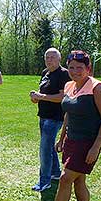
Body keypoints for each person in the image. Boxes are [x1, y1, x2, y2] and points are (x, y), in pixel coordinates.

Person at [35, 50, 101, 201]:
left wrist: (96, 147)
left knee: (65, 178)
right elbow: (69, 113)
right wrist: (62, 138)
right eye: (71, 67)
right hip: (71, 140)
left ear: (88, 68)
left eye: (80, 68)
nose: (75, 71)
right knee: (79, 181)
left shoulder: (98, 87)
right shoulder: (70, 85)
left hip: (87, 142)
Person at [29, 48, 71, 192]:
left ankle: (44, 181)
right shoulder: (45, 73)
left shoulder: (64, 74)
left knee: (45, 149)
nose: (49, 60)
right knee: (49, 145)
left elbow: (62, 97)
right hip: (43, 115)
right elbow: (44, 93)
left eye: (52, 57)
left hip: (56, 117)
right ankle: (55, 173)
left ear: (59, 59)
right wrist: (36, 97)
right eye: (47, 57)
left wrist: (41, 97)